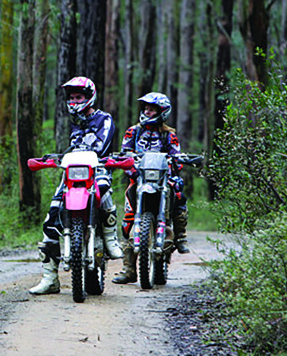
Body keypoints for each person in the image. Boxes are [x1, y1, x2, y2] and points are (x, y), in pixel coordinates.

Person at [29, 76, 123, 295]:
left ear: (89, 97)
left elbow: (101, 146)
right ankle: (50, 278)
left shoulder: (104, 119)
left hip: (97, 170)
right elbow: (71, 149)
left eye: (78, 97)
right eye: (71, 98)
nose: (73, 101)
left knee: (104, 189)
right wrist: (53, 159)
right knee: (51, 219)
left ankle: (110, 237)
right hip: (72, 175)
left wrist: (110, 159)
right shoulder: (74, 122)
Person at [112, 92, 189, 285]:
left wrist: (177, 164)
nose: (147, 112)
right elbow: (124, 153)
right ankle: (129, 269)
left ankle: (180, 236)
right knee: (129, 219)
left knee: (179, 192)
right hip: (139, 178)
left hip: (162, 179)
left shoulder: (169, 134)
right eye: (146, 108)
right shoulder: (133, 131)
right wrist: (129, 167)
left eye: (152, 109)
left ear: (162, 112)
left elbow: (177, 156)